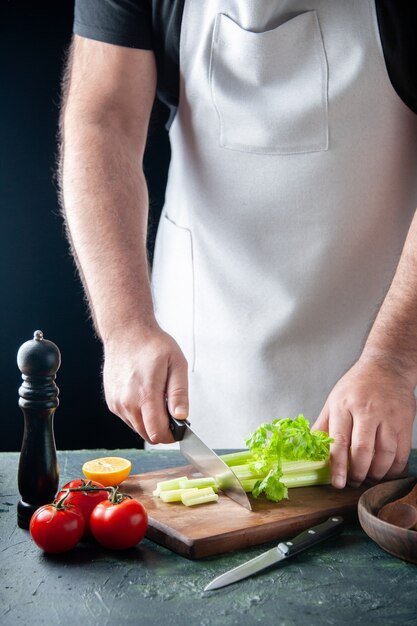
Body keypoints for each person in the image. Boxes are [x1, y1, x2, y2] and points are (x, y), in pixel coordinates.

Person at [60, 0, 417, 490]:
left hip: (393, 358)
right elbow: (104, 121)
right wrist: (126, 325)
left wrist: (395, 361)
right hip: (204, 349)